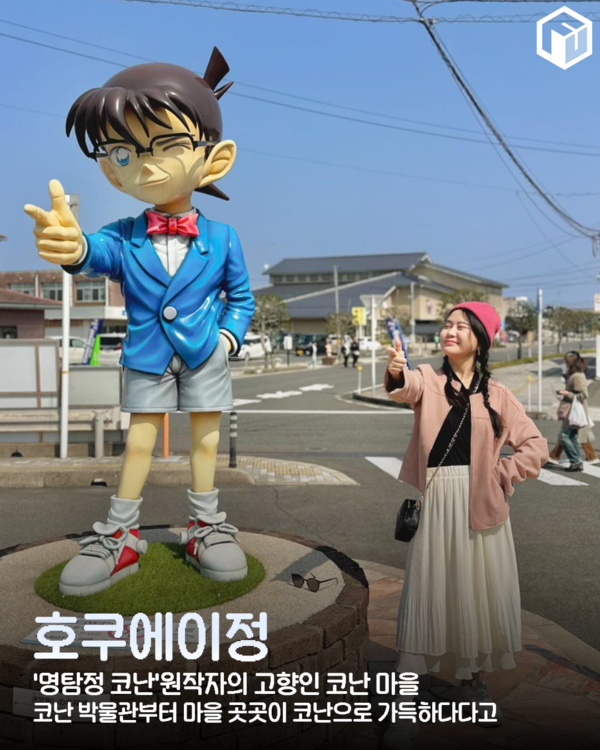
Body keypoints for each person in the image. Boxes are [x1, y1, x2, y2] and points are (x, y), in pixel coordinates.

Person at [24, 50, 255, 596]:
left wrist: (225, 339)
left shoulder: (223, 238)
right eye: (124, 152)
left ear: (214, 159)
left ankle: (206, 526)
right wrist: (73, 247)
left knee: (205, 443)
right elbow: (92, 253)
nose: (145, 165)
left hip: (204, 353)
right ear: (110, 168)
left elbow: (241, 298)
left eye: (168, 144)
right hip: (148, 355)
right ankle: (120, 535)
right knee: (138, 445)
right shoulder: (123, 234)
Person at [383, 301, 548, 748]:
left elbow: (535, 446)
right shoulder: (428, 379)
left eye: (461, 326)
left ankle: (473, 683)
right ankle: (405, 704)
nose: (450, 331)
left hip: (483, 509)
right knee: (425, 594)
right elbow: (404, 387)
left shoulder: (497, 394)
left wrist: (501, 473)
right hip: (439, 503)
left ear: (481, 339)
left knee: (475, 596)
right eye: (447, 324)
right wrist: (396, 371)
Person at [548, 351, 598, 467]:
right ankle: (567, 458)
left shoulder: (578, 376)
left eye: (565, 362)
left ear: (570, 363)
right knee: (571, 436)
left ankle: (577, 460)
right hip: (572, 412)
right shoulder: (574, 375)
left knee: (566, 436)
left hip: (574, 412)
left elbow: (584, 394)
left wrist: (568, 394)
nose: (563, 364)